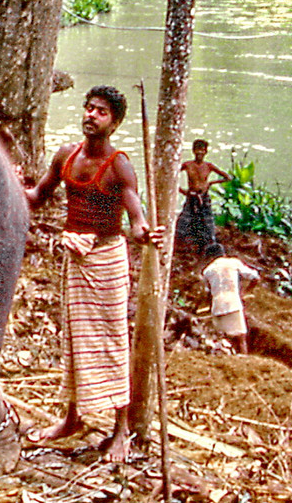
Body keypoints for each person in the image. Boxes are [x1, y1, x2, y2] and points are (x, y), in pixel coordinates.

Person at [25, 85, 155, 462]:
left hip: (108, 261)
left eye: (101, 112)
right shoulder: (67, 156)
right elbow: (37, 197)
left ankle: (121, 430)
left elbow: (136, 217)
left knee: (113, 341)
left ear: (114, 123)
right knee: (74, 340)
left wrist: (145, 233)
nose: (91, 115)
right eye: (89, 108)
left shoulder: (119, 165)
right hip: (75, 260)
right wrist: (10, 187)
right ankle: (71, 418)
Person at [201, 242, 259, 354]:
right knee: (241, 338)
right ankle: (245, 361)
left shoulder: (207, 271)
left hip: (217, 307)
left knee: (222, 339)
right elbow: (255, 277)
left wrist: (209, 307)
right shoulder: (233, 263)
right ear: (223, 254)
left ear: (211, 257)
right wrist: (246, 292)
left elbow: (208, 293)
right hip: (233, 303)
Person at [175, 139, 228, 253]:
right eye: (197, 150)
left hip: (204, 197)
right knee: (183, 222)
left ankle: (209, 246)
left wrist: (210, 183)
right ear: (193, 151)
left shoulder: (209, 166)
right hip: (191, 196)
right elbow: (172, 175)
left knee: (208, 223)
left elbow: (227, 177)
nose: (199, 153)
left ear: (205, 152)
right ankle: (179, 247)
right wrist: (181, 191)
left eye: (202, 150)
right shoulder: (188, 165)